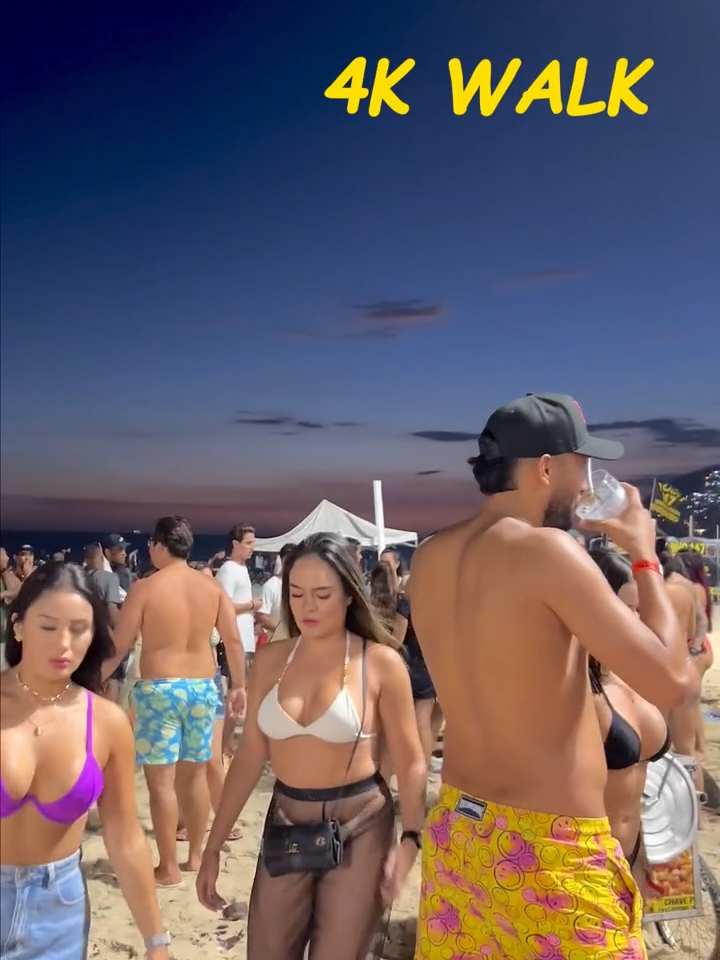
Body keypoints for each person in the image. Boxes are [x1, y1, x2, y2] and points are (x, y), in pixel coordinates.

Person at [409, 392, 689, 960]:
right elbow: (670, 682)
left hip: (461, 831)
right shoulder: (547, 551)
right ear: (545, 467)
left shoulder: (431, 556)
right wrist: (643, 554)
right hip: (550, 852)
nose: (588, 482)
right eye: (582, 465)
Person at [196, 533, 427, 960]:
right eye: (297, 594)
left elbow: (413, 760)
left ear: (349, 596)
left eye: (322, 594)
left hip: (361, 823)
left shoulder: (379, 662)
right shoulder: (270, 660)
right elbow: (249, 757)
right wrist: (212, 847)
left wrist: (411, 838)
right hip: (287, 819)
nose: (308, 606)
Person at [0, 563, 169, 960]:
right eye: (47, 626)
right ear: (19, 627)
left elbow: (125, 836)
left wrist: (155, 940)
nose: (64, 644)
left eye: (79, 629)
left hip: (59, 910)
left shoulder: (107, 722)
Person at [101, 516, 247, 889]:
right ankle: (195, 856)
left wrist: (92, 681)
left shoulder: (146, 588)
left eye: (151, 544)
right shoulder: (210, 588)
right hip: (201, 687)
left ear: (160, 545)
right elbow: (232, 641)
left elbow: (119, 645)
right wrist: (239, 687)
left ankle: (168, 868)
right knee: (195, 775)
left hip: (159, 691)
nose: (149, 549)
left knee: (161, 783)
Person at [588, 547, 670, 890]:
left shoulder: (632, 674)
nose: (635, 620)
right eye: (626, 609)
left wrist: (645, 852)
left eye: (639, 610)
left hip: (631, 861)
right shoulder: (573, 688)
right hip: (587, 871)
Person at [215, 524, 261, 666]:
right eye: (248, 543)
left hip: (245, 640)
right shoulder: (229, 570)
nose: (252, 547)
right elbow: (223, 606)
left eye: (253, 543)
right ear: (235, 544)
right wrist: (251, 605)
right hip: (235, 641)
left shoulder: (241, 568)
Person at [256, 543, 296, 637]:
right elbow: (262, 617)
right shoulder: (271, 585)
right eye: (289, 560)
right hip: (278, 642)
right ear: (282, 560)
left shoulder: (304, 584)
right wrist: (286, 632)